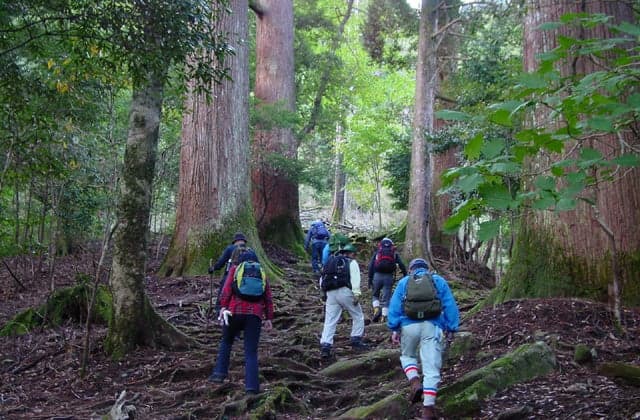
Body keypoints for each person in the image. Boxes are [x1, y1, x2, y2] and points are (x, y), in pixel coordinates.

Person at [387, 258, 459, 420]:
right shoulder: (438, 281)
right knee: (431, 367)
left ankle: (414, 381)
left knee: (407, 356)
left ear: (411, 269)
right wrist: (451, 327)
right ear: (427, 269)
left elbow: (394, 306)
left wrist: (394, 328)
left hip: (408, 326)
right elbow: (449, 304)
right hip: (432, 326)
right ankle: (428, 408)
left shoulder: (405, 282)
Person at [208, 249, 274, 394]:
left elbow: (226, 291)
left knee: (226, 341)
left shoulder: (235, 269)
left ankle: (219, 374)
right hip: (255, 315)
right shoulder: (261, 272)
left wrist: (222, 307)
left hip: (233, 312)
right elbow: (267, 297)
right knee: (251, 351)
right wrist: (269, 318)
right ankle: (252, 387)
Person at [319, 243, 368, 358]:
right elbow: (355, 279)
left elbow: (322, 278)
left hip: (330, 293)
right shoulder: (351, 262)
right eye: (353, 253)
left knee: (330, 320)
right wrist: (356, 294)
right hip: (345, 291)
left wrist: (323, 293)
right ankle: (356, 339)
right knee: (358, 315)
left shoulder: (330, 262)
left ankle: (326, 345)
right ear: (351, 253)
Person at [367, 238, 407, 323]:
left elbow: (371, 266)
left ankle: (376, 309)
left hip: (377, 275)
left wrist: (370, 279)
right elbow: (402, 265)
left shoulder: (378, 252)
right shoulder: (394, 253)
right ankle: (383, 317)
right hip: (389, 277)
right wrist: (405, 275)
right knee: (386, 298)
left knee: (375, 295)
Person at [209, 232, 249, 314]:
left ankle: (219, 310)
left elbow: (221, 262)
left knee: (223, 291)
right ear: (244, 241)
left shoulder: (230, 248)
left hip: (230, 276)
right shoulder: (250, 251)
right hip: (246, 278)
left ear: (235, 241)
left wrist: (213, 268)